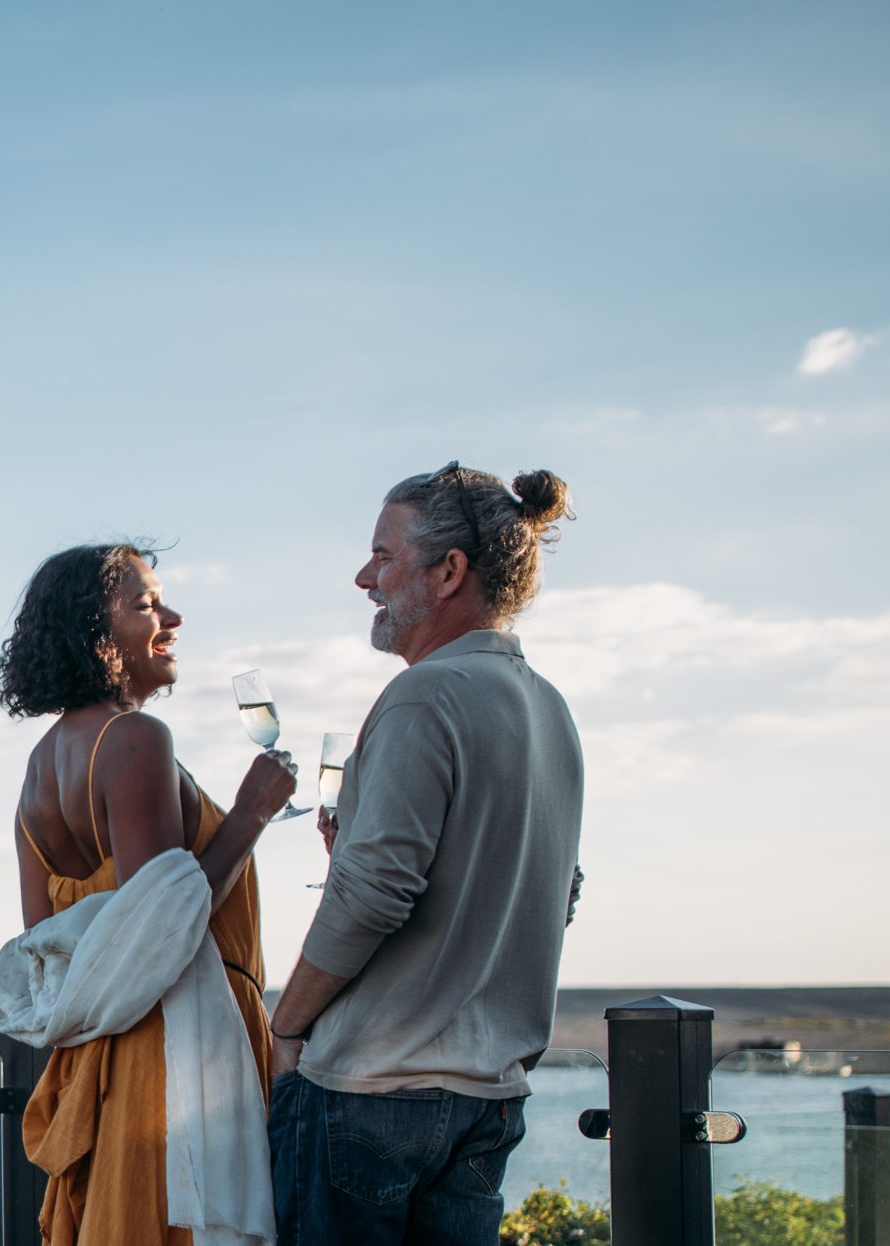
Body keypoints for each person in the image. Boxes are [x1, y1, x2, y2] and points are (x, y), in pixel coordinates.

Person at [263, 464, 585, 1246]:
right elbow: (548, 892)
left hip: (373, 1094)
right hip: (487, 1103)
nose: (363, 577)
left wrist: (286, 1028)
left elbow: (376, 896)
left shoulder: (424, 695)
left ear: (449, 572)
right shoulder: (549, 708)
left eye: (382, 555)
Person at [0, 543, 301, 1246]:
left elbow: (49, 955)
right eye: (147, 604)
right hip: (176, 1067)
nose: (174, 617)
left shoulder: (38, 773)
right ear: (94, 634)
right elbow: (161, 923)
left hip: (95, 1072)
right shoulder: (135, 738)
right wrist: (250, 812)